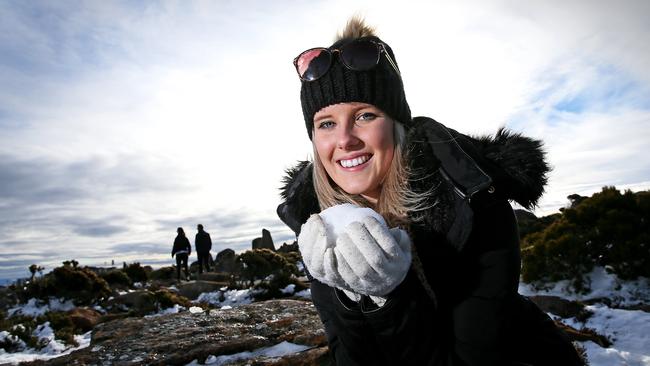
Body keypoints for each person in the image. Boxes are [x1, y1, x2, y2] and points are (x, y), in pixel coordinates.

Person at [277, 17, 583, 366]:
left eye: (364, 116)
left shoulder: (471, 199)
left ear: (396, 125)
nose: (345, 140)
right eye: (326, 123)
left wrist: (390, 297)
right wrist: (354, 300)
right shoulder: (316, 224)